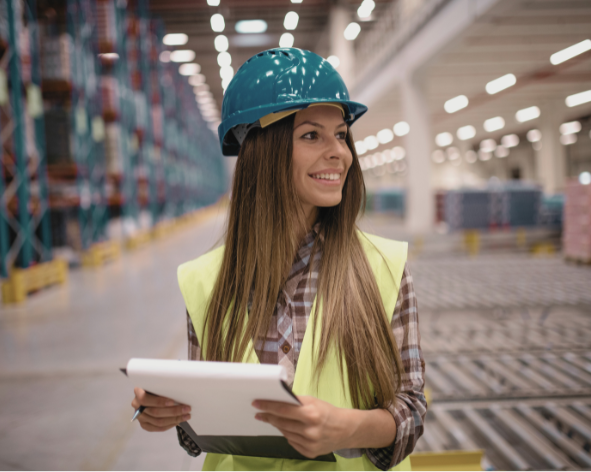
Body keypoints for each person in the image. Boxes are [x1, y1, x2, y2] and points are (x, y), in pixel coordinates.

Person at [131, 48, 426, 471]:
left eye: (341, 135)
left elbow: (411, 411)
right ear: (263, 153)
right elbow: (205, 428)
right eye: (312, 136)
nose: (340, 153)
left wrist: (347, 428)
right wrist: (172, 412)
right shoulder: (207, 281)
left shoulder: (384, 267)